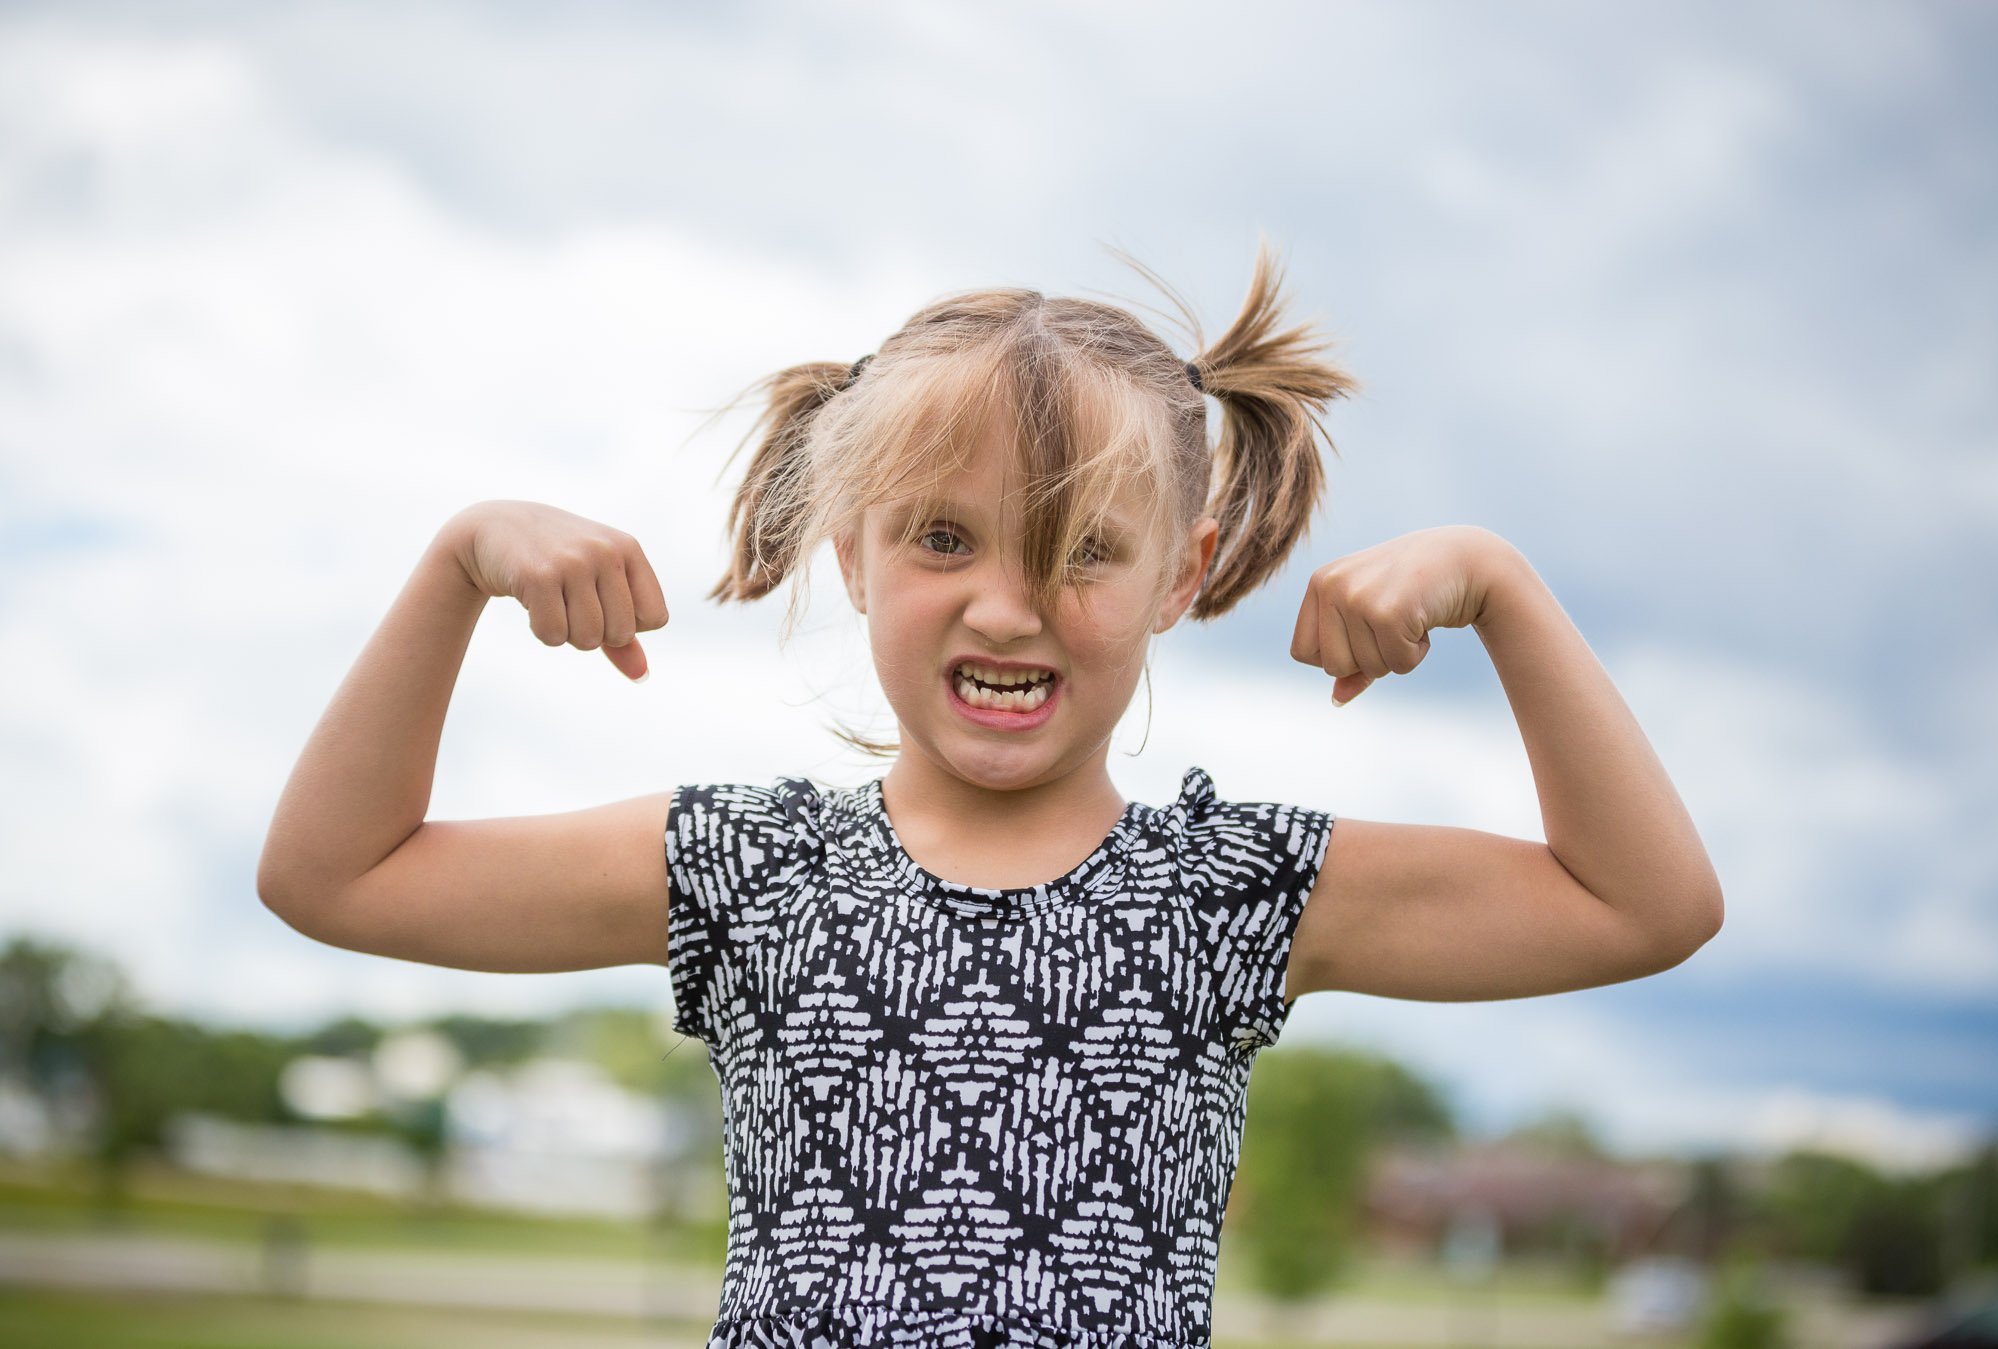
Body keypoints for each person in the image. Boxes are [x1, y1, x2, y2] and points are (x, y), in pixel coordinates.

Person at [256, 245, 1725, 1348]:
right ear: (852, 553)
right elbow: (338, 874)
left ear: (1184, 572)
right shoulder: (746, 870)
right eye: (945, 537)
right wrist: (456, 566)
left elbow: (1643, 906)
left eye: (1083, 548)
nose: (1009, 609)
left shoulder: (1229, 896)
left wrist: (1502, 583)